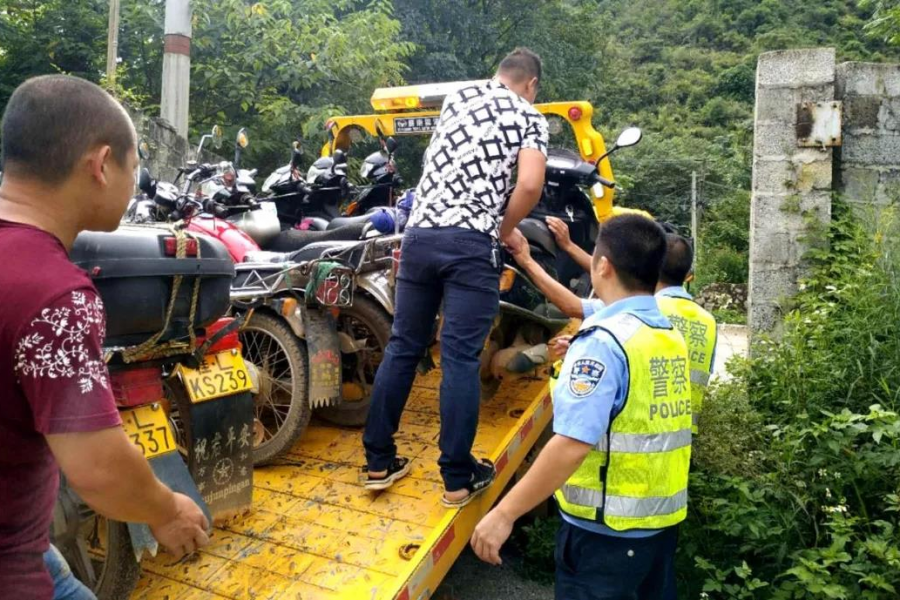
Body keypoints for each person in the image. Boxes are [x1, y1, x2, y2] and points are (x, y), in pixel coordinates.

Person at [0, 75, 210, 600]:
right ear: (100, 165)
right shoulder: (56, 296)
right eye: (134, 169)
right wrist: (167, 509)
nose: (134, 183)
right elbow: (96, 469)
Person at [362, 48, 549, 507]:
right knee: (461, 358)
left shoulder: (458, 98)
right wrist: (500, 230)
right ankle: (457, 478)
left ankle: (378, 462)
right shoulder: (530, 116)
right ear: (531, 84)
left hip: (420, 236)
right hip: (470, 244)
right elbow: (528, 185)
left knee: (404, 345)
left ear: (497, 73)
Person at [471, 215, 692, 599]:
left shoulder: (603, 343)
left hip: (603, 538)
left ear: (602, 266)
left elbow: (573, 443)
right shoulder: (666, 333)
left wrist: (504, 514)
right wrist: (525, 258)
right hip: (658, 529)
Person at [516, 217, 717, 432]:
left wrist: (527, 261)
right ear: (688, 276)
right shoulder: (707, 321)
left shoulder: (639, 308)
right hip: (677, 430)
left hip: (628, 428)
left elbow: (574, 305)